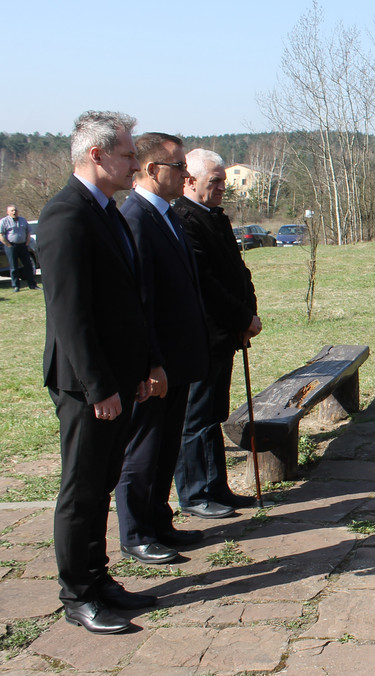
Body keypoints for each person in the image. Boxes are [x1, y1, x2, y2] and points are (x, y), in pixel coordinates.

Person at [39, 111, 159, 634]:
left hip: (117, 378)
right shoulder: (65, 215)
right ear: (97, 154)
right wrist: (99, 386)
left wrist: (143, 364)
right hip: (88, 384)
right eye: (130, 154)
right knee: (82, 490)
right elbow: (70, 313)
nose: (136, 164)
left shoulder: (106, 211)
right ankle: (78, 595)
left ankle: (99, 577)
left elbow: (129, 301)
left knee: (103, 483)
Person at [114, 133, 210, 565]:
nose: (186, 175)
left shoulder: (167, 214)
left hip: (178, 357)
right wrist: (151, 361)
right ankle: (135, 532)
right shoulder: (135, 217)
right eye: (177, 167)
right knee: (144, 448)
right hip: (155, 361)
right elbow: (140, 301)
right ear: (152, 171)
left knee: (166, 444)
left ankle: (159, 521)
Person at [173, 149, 261, 519]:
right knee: (196, 418)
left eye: (224, 180)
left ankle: (217, 487)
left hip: (227, 333)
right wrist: (241, 316)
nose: (223, 187)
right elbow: (205, 282)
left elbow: (237, 270)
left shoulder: (216, 217)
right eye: (216, 181)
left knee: (215, 414)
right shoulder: (184, 219)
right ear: (190, 181)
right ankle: (195, 493)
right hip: (203, 334)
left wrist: (250, 310)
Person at [1, 204, 38, 291]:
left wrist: (27, 243)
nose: (14, 212)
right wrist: (9, 245)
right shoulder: (4, 221)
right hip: (11, 246)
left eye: (15, 210)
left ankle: (32, 284)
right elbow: (1, 235)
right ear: (8, 212)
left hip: (23, 245)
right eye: (12, 211)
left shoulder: (22, 220)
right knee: (14, 266)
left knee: (28, 265)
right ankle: (16, 286)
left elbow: (28, 232)